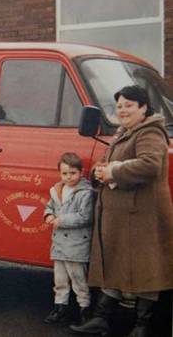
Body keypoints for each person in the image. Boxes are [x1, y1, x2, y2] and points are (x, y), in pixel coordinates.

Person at [71, 85, 173, 336]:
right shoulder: (125, 132)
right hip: (125, 214)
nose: (123, 110)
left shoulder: (150, 132)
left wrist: (113, 172)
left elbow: (149, 165)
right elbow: (109, 162)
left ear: (143, 107)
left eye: (129, 105)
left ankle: (141, 326)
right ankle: (101, 318)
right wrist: (99, 171)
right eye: (119, 106)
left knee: (146, 268)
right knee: (116, 261)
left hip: (141, 215)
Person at [43, 152, 93, 325]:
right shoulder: (57, 189)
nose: (69, 177)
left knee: (79, 278)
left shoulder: (85, 192)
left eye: (73, 173)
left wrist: (61, 220)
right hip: (59, 243)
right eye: (64, 173)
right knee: (60, 279)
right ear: (60, 173)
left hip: (77, 242)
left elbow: (85, 216)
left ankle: (85, 308)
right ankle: (60, 307)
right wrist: (48, 215)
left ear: (81, 172)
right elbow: (49, 206)